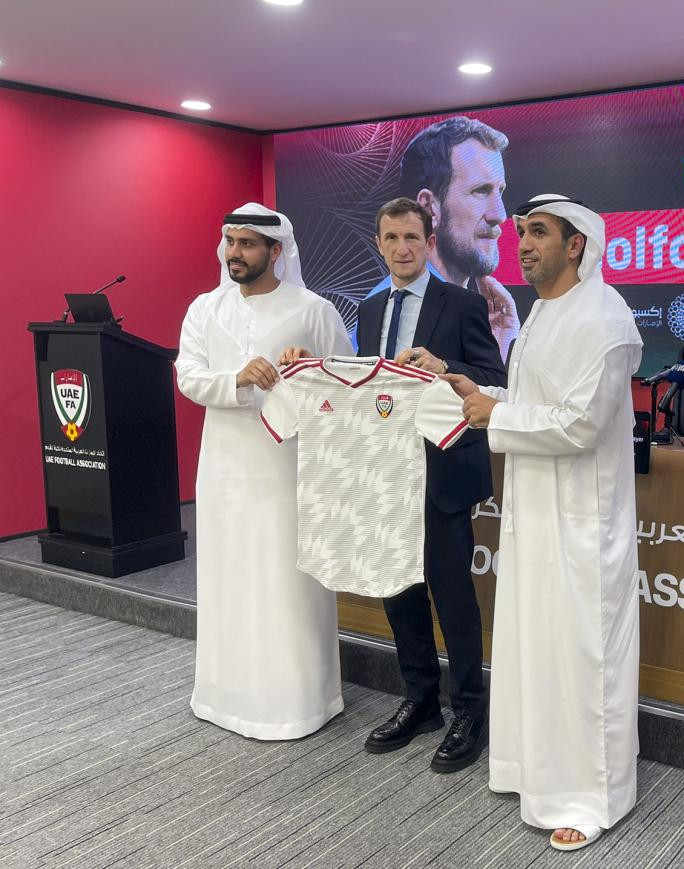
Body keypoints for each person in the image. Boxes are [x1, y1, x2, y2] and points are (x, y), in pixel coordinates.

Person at [445, 194, 643, 850]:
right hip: (532, 514)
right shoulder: (540, 313)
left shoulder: (605, 316)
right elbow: (534, 403)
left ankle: (592, 796)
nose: (523, 243)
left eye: (538, 233)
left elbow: (582, 424)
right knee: (535, 645)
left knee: (583, 655)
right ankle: (532, 769)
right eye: (522, 232)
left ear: (576, 243)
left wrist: (495, 417)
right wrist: (475, 392)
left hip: (581, 525)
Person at [286, 197, 505, 771]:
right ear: (379, 243)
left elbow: (492, 379)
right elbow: (366, 386)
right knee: (396, 588)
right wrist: (315, 368)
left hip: (440, 472)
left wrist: (443, 368)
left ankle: (471, 711)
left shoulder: (462, 303)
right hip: (383, 473)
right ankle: (420, 699)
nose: (402, 249)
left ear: (429, 242)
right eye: (391, 238)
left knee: (452, 594)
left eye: (412, 238)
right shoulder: (371, 304)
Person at [175, 202, 352, 739]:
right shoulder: (204, 309)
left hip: (287, 471)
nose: (235, 252)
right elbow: (188, 376)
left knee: (286, 583)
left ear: (277, 251)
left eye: (248, 243)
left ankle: (300, 701)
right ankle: (225, 695)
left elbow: (345, 382)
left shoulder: (313, 309)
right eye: (230, 241)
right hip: (225, 470)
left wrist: (307, 370)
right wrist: (238, 380)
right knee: (229, 579)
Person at [398, 116, 519, 359]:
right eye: (481, 191)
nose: (501, 215)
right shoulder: (396, 309)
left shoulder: (474, 312)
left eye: (500, 191)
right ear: (429, 208)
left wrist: (498, 352)